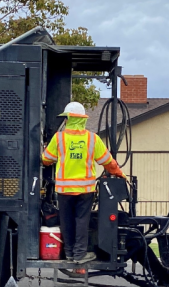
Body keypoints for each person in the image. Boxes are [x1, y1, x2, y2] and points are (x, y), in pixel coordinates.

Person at [42, 101, 126, 265]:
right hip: (86, 190)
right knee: (81, 220)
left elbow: (45, 160)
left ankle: (69, 253)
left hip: (64, 190)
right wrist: (120, 174)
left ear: (68, 119)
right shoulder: (92, 139)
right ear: (83, 120)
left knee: (66, 220)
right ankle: (79, 254)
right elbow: (108, 162)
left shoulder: (59, 138)